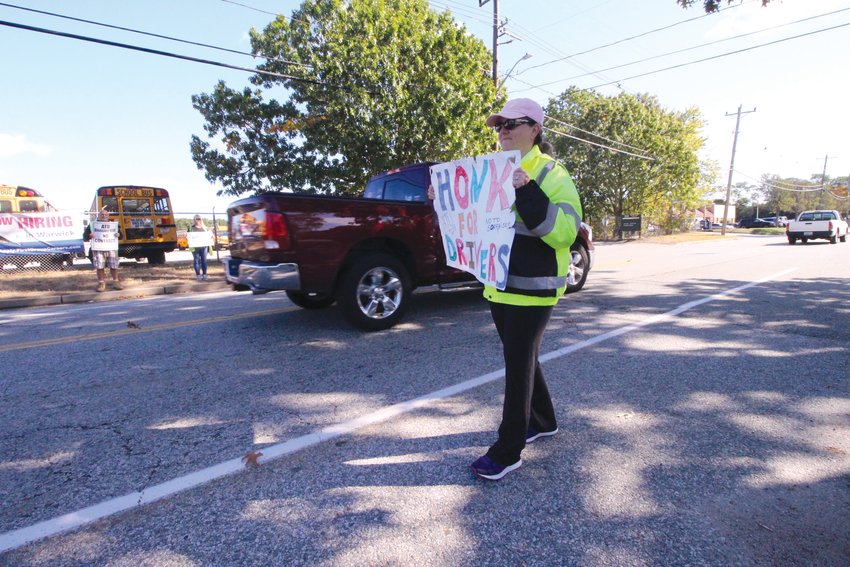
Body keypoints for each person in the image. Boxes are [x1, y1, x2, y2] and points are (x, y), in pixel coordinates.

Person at [472, 98, 582, 480]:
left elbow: (565, 232)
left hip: (532, 288)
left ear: (534, 129)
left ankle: (508, 449)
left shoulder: (552, 173)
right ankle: (544, 420)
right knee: (524, 356)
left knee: (517, 364)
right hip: (500, 284)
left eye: (510, 124)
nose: (501, 131)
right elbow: (473, 221)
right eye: (498, 125)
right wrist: (444, 204)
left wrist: (528, 190)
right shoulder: (490, 171)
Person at [83, 208, 124, 292]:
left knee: (114, 266)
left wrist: (118, 234)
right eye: (102, 215)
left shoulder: (113, 225)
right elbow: (84, 237)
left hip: (111, 248)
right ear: (98, 216)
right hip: (98, 248)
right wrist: (90, 235)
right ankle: (101, 283)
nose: (104, 216)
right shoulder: (92, 225)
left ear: (108, 216)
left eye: (106, 215)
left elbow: (121, 236)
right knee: (100, 266)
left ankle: (116, 282)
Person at [189, 215, 210, 281]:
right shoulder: (191, 228)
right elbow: (189, 237)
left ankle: (204, 274)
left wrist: (211, 235)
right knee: (196, 260)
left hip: (204, 247)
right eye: (196, 219)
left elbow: (209, 236)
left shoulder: (205, 228)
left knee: (204, 260)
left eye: (199, 219)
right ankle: (198, 275)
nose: (198, 220)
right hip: (195, 247)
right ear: (194, 220)